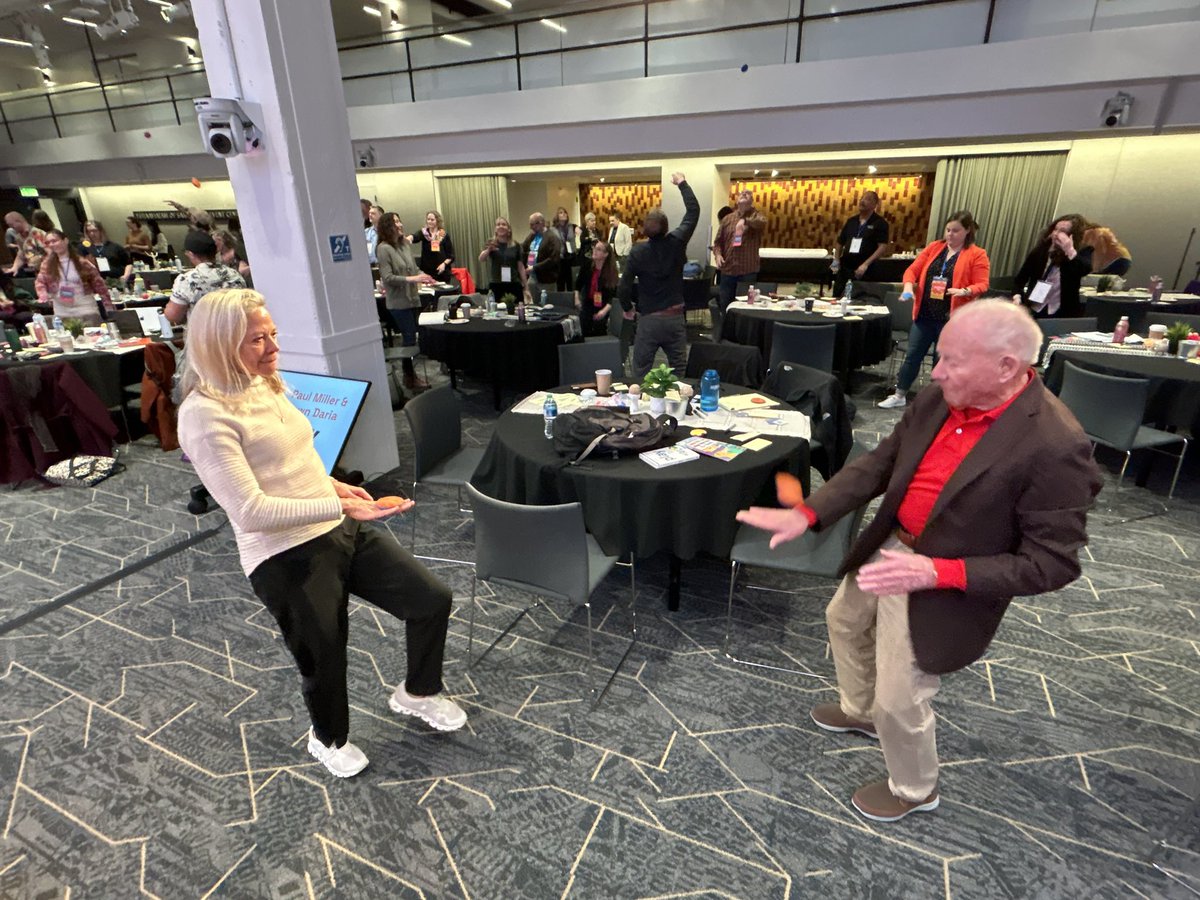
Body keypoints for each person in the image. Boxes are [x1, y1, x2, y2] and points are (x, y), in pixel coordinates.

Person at [736, 300, 1101, 823]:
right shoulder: (940, 397)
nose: (937, 370)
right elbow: (881, 462)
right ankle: (858, 712)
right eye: (940, 356)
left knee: (900, 698)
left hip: (945, 577)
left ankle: (914, 787)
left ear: (1007, 367)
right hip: (893, 547)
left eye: (953, 359)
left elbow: (1052, 565)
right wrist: (811, 513)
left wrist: (937, 572)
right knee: (843, 619)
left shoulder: (1055, 446)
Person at [176, 288, 467, 778]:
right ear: (218, 345)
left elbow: (302, 466)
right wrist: (340, 502)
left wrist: (353, 499)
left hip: (337, 525)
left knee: (430, 598)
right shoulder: (204, 416)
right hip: (282, 554)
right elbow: (249, 511)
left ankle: (416, 692)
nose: (272, 348)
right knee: (324, 655)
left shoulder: (265, 382)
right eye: (256, 340)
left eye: (272, 334)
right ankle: (326, 739)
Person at [878, 211, 990, 410]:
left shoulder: (976, 254)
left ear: (967, 231)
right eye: (948, 230)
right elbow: (912, 270)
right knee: (913, 356)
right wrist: (907, 287)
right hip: (925, 314)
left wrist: (965, 290)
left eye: (955, 231)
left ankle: (936, 402)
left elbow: (982, 284)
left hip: (951, 319)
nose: (950, 234)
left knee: (943, 361)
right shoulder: (935, 248)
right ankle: (900, 394)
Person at [619, 172, 699, 381]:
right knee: (679, 372)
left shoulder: (638, 252)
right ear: (666, 227)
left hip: (649, 320)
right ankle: (680, 410)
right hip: (674, 318)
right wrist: (682, 183)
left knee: (641, 372)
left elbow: (624, 286)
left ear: (645, 230)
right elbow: (693, 211)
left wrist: (627, 308)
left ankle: (641, 411)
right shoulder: (677, 241)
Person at [377, 213, 435, 391]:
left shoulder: (404, 245)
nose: (400, 224)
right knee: (408, 337)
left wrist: (424, 277)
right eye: (395, 222)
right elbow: (388, 277)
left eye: (399, 220)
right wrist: (413, 279)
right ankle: (408, 377)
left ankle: (410, 376)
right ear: (388, 226)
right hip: (398, 301)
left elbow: (413, 268)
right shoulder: (383, 248)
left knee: (412, 337)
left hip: (412, 299)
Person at [1013, 214, 1094, 318]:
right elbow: (1020, 280)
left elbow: (1084, 269)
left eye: (1063, 231)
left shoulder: (1081, 252)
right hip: (1034, 307)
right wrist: (1017, 296)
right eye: (1055, 229)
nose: (1056, 234)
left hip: (1062, 312)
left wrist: (1069, 251)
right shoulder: (1041, 250)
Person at [164, 230, 246, 326]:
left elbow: (173, 316)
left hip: (203, 336)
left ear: (190, 254)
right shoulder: (234, 274)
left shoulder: (187, 280)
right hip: (235, 334)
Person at [712, 188, 768, 325]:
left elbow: (761, 223)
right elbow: (717, 242)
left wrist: (745, 221)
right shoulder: (728, 219)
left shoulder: (757, 216)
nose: (743, 193)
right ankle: (725, 334)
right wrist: (718, 255)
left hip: (747, 270)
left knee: (745, 305)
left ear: (752, 200)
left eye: (747, 193)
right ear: (737, 200)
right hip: (728, 269)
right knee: (726, 304)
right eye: (741, 193)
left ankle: (742, 334)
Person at [35, 229, 113, 325]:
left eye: (54, 241)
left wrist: (108, 306)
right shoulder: (47, 264)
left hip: (84, 306)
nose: (51, 245)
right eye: (48, 242)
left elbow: (99, 285)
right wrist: (43, 295)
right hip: (61, 309)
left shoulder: (82, 263)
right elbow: (40, 282)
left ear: (65, 241)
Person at [833, 191, 891, 298]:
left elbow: (882, 246)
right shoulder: (851, 221)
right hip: (845, 267)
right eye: (862, 198)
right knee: (837, 296)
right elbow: (840, 242)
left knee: (859, 299)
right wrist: (836, 260)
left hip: (864, 270)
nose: (863, 201)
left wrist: (866, 264)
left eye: (868, 199)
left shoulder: (880, 223)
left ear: (875, 204)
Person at [573, 239, 620, 338]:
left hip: (603, 306)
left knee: (599, 328)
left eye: (598, 249)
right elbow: (578, 285)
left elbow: (613, 297)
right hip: (588, 303)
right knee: (584, 327)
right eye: (594, 248)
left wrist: (603, 311)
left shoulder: (611, 272)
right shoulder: (587, 266)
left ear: (605, 254)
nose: (594, 250)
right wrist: (577, 299)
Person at [478, 216, 524, 302]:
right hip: (496, 283)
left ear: (509, 229)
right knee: (497, 312)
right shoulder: (491, 242)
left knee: (516, 310)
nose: (501, 226)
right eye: (498, 224)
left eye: (504, 224)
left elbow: (520, 267)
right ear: (495, 229)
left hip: (513, 283)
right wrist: (488, 250)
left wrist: (526, 286)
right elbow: (481, 259)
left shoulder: (516, 245)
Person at [521, 212, 562, 301]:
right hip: (532, 277)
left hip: (546, 279)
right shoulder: (532, 236)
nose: (531, 227)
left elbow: (553, 259)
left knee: (547, 305)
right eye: (530, 224)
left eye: (533, 224)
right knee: (532, 303)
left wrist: (535, 267)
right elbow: (522, 249)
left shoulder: (552, 238)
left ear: (541, 223)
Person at [78, 220, 133, 285]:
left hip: (117, 280)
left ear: (101, 231)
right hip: (97, 282)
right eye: (89, 231)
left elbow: (128, 263)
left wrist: (125, 276)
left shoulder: (114, 246)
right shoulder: (84, 247)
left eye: (94, 230)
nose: (92, 234)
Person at [413, 210, 455, 280]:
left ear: (437, 221)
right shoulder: (423, 233)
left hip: (442, 272)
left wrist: (443, 264)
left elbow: (451, 256)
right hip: (427, 272)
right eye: (428, 219)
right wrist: (407, 238)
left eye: (432, 220)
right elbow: (414, 237)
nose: (429, 221)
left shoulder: (443, 234)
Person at [552, 207, 578, 291]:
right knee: (560, 283)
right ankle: (561, 301)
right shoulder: (553, 229)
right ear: (557, 216)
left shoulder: (572, 227)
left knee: (571, 282)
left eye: (565, 212)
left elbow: (580, 230)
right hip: (560, 258)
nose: (564, 214)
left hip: (570, 258)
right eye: (561, 212)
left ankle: (572, 300)